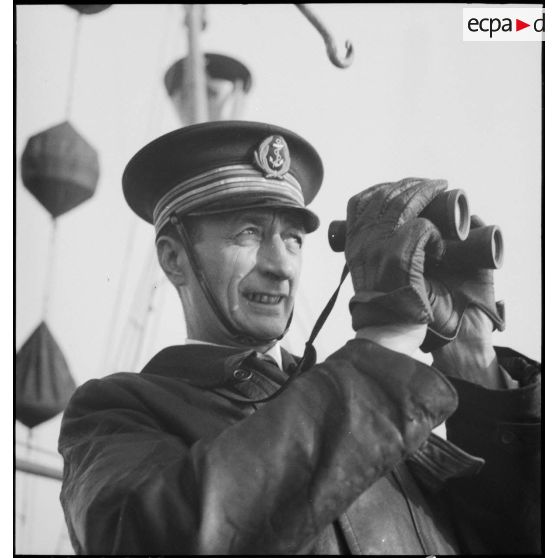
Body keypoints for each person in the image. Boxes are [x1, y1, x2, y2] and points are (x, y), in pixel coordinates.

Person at [58, 121, 540, 555]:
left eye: (293, 238)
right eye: (248, 233)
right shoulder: (115, 413)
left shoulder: (370, 407)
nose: (281, 265)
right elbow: (150, 542)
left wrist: (473, 360)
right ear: (173, 258)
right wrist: (386, 343)